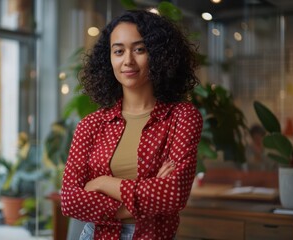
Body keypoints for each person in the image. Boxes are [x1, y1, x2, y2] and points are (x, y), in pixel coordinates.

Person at [61, 10, 203, 239]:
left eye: (139, 49)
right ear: (108, 58)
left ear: (158, 55)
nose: (127, 60)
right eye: (118, 51)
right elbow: (69, 201)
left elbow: (174, 194)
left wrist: (102, 182)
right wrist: (150, 191)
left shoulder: (182, 117)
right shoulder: (91, 125)